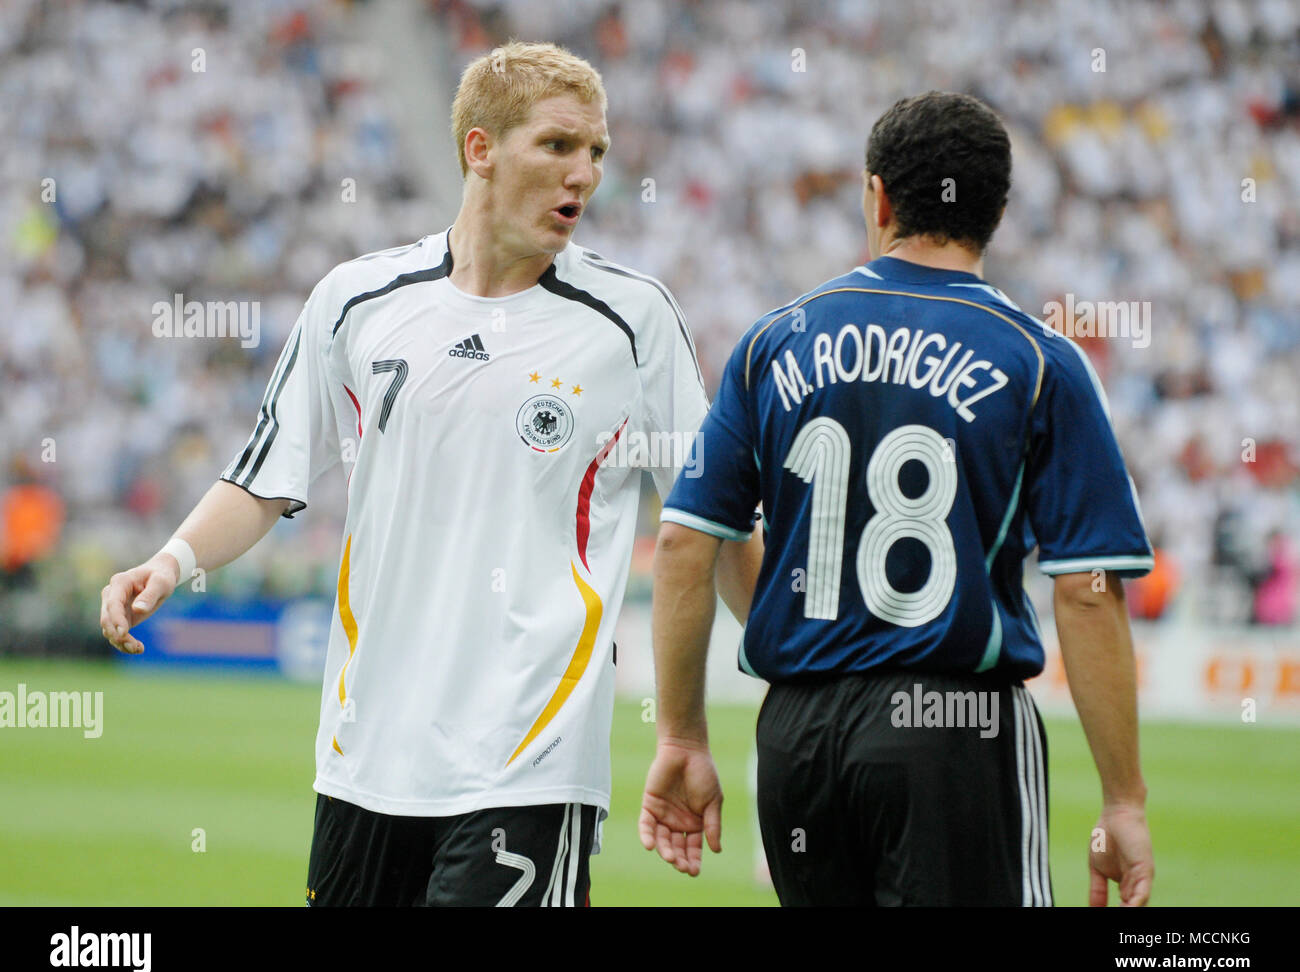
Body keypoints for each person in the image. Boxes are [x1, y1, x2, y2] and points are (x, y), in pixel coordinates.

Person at [99, 40, 760, 907]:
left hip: (532, 759)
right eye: (558, 145)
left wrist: (807, 659)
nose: (586, 173)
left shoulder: (630, 320)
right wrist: (172, 562)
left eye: (596, 152)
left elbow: (709, 521)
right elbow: (265, 476)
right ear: (479, 149)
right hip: (365, 754)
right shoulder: (357, 299)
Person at [639, 91, 1155, 907]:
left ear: (876, 196)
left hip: (797, 739)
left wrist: (682, 734)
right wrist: (1124, 799)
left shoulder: (776, 341)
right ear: (998, 212)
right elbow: (1088, 595)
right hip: (954, 728)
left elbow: (685, 544)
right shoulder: (1039, 361)